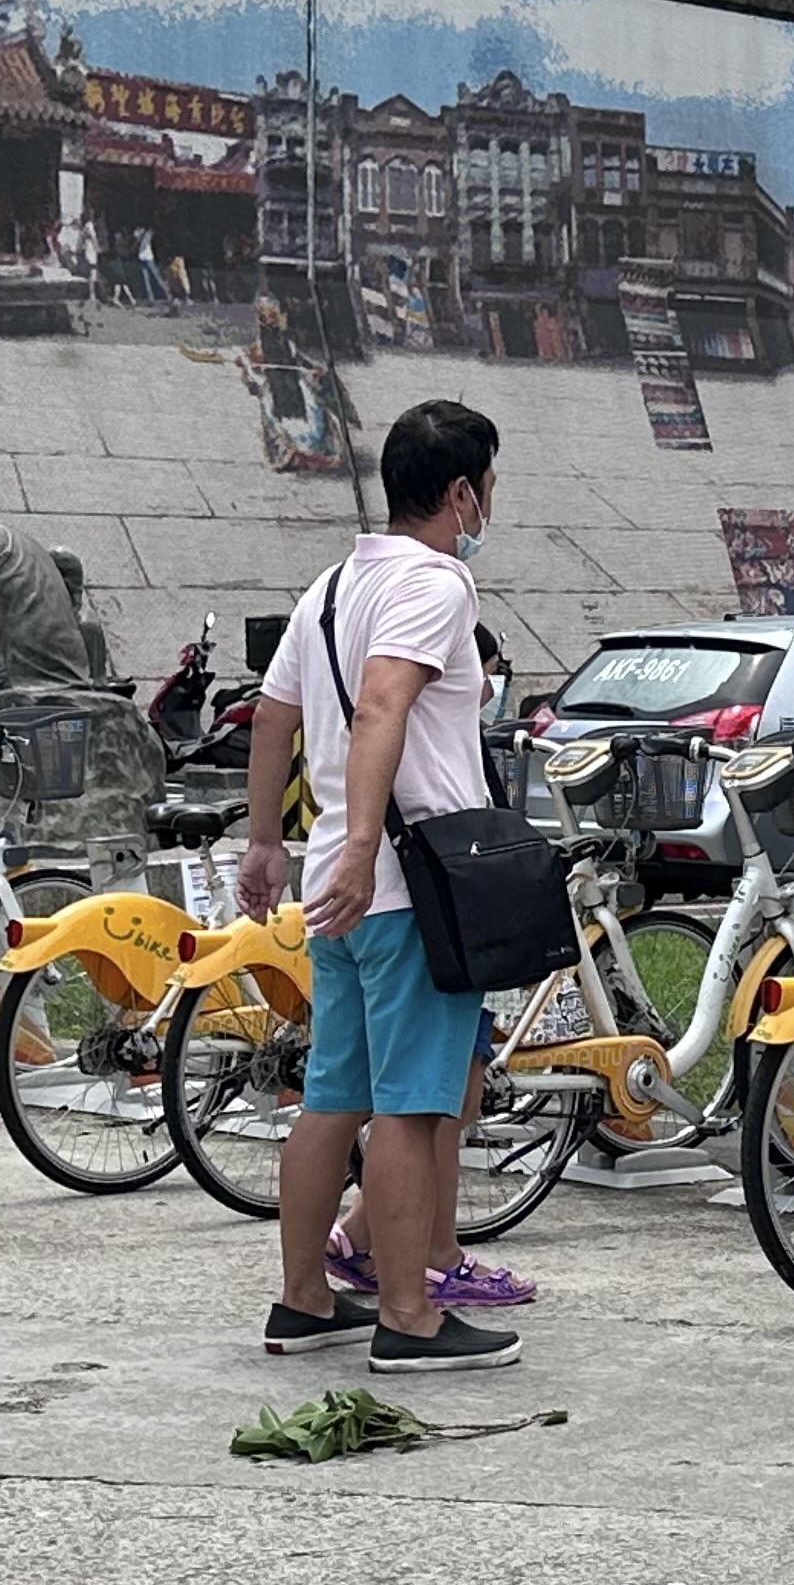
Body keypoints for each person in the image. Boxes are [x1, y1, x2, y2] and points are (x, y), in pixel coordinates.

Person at [234, 399, 524, 1373]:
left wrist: (270, 842)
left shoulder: (329, 587)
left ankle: (304, 1301)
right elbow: (383, 707)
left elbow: (273, 718)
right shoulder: (437, 584)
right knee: (412, 1106)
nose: (489, 501)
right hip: (407, 885)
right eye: (487, 484)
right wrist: (363, 844)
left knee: (332, 1098)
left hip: (338, 891)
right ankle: (409, 1316)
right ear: (458, 492)